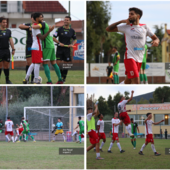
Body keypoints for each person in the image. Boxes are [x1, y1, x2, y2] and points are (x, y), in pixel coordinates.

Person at [106, 7, 159, 84]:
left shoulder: (145, 27)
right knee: (136, 81)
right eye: (129, 14)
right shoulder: (126, 27)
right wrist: (121, 21)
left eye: (132, 14)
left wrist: (156, 41)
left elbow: (156, 38)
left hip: (140, 59)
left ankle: (121, 85)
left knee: (129, 81)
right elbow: (108, 29)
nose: (129, 15)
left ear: (138, 16)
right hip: (130, 57)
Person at [23, 13, 54, 84]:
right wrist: (49, 31)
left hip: (34, 46)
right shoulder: (35, 26)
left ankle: (26, 79)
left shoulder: (35, 26)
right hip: (37, 47)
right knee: (37, 64)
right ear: (36, 19)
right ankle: (36, 81)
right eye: (40, 17)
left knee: (33, 63)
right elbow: (42, 38)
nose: (42, 18)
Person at [32, 16, 63, 84]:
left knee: (45, 63)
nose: (42, 18)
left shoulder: (42, 24)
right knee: (54, 63)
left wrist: (33, 24)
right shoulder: (45, 24)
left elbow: (34, 27)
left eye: (42, 17)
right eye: (40, 17)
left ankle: (49, 81)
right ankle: (60, 79)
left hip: (46, 45)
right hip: (51, 45)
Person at [53, 16, 77, 83]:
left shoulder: (72, 31)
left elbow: (75, 39)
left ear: (70, 21)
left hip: (67, 50)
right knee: (58, 64)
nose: (65, 21)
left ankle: (63, 78)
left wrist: (72, 44)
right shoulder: (59, 29)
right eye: (65, 20)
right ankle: (60, 77)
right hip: (60, 49)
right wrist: (59, 43)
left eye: (67, 20)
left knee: (66, 65)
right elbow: (53, 38)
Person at [19, 13, 35, 83]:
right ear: (31, 18)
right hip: (29, 46)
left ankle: (33, 79)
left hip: (36, 46)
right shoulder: (28, 25)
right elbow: (20, 26)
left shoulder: (39, 26)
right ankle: (27, 79)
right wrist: (28, 28)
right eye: (33, 18)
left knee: (34, 62)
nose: (34, 19)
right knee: (28, 62)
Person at [0, 17, 15, 84]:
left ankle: (7, 80)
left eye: (6, 22)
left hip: (6, 51)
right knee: (0, 66)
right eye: (4, 22)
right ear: (0, 23)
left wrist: (13, 48)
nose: (5, 23)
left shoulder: (8, 31)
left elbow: (11, 40)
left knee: (6, 66)